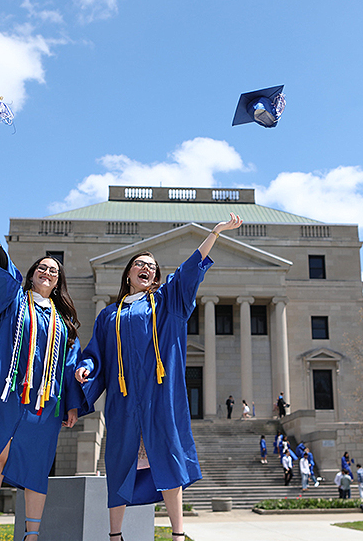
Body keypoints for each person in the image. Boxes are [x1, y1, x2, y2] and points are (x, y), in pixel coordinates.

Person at [75, 213, 243, 541]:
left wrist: (214, 233)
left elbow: (188, 271)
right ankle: (115, 535)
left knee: (167, 461)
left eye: (152, 266)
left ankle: (178, 534)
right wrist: (87, 369)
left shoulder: (167, 303)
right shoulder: (109, 315)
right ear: (128, 273)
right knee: (119, 463)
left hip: (159, 398)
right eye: (140, 264)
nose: (146, 268)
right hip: (124, 400)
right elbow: (96, 354)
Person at [0, 190, 84, 541]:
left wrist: (72, 402)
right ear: (33, 275)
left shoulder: (65, 323)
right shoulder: (13, 302)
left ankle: (31, 536)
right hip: (8, 393)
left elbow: (71, 363)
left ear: (58, 281)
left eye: (53, 271)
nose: (47, 272)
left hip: (44, 403)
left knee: (36, 470)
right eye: (42, 268)